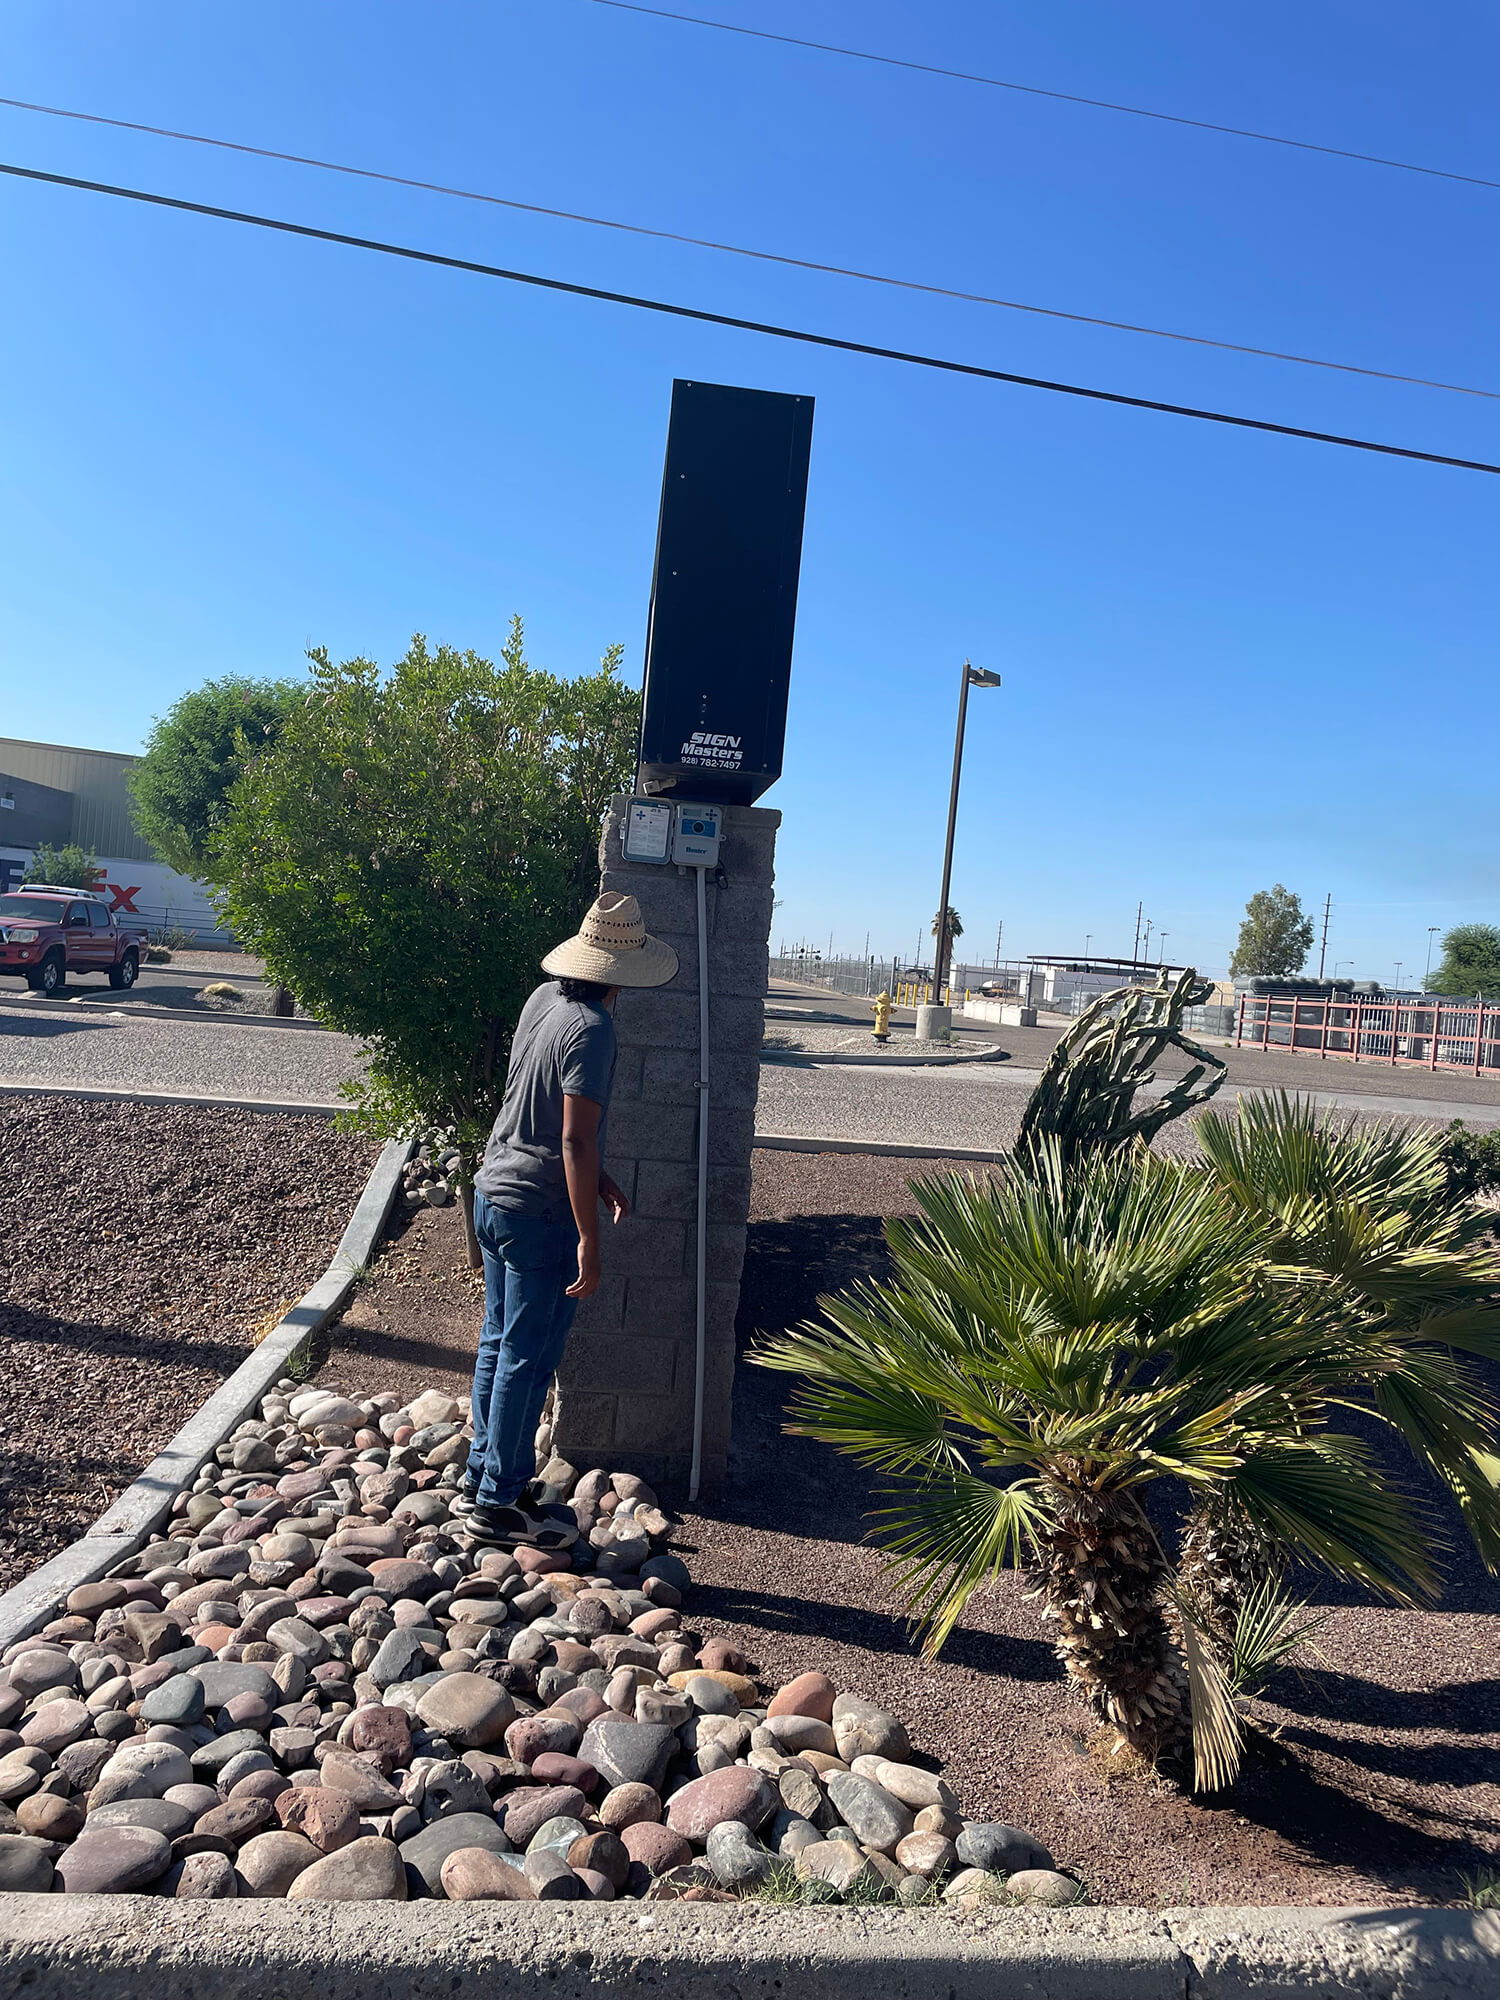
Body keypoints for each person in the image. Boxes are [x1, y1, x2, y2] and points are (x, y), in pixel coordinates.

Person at [460, 891, 678, 1548]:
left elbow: (537, 1108)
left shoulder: (543, 1001)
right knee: (528, 1354)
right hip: (538, 1212)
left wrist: (598, 1178)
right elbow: (575, 1140)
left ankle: (483, 1476)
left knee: (500, 1341)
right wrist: (589, 1237)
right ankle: (499, 1505)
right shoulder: (594, 1028)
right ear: (623, 972)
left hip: (494, 1194)